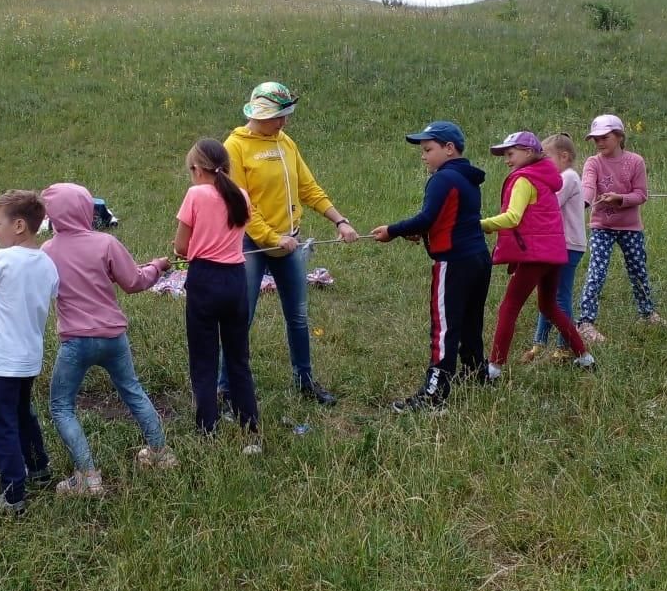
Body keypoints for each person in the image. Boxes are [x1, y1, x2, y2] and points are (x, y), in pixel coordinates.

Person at [222, 81, 359, 406]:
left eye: (286, 116)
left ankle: (305, 381)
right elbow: (241, 207)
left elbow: (308, 188)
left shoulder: (285, 143)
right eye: (277, 117)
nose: (283, 123)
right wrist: (272, 239)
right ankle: (226, 389)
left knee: (297, 316)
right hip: (252, 244)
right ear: (258, 115)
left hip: (290, 243)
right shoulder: (235, 146)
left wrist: (339, 220)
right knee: (243, 317)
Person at [41, 182, 176, 496]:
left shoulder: (47, 251)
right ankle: (161, 454)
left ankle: (88, 478)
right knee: (132, 391)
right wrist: (157, 267)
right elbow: (134, 282)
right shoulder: (106, 243)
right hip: (114, 337)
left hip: (75, 342)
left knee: (61, 406)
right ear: (88, 210)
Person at [370, 121, 492, 413]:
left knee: (444, 327)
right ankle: (477, 373)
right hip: (479, 259)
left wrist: (393, 230)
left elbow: (427, 217)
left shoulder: (442, 178)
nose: (423, 156)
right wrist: (424, 232)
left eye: (428, 149)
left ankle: (435, 394)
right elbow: (451, 218)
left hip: (454, 262)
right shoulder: (468, 178)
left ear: (449, 149)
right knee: (471, 321)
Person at [0, 190, 60, 516]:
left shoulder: (4, 258)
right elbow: (50, 293)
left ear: (19, 225)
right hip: (29, 357)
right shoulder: (47, 262)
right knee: (23, 413)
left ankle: (12, 493)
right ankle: (39, 466)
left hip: (2, 359)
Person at [480, 131, 596, 380]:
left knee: (509, 307)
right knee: (549, 305)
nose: (507, 160)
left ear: (529, 152)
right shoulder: (546, 179)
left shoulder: (524, 180)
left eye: (510, 154)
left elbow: (513, 217)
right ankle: (585, 358)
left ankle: (494, 369)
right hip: (554, 253)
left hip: (535, 255)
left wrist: (480, 224)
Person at [175, 138, 261, 447]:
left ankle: (207, 430)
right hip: (237, 280)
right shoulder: (241, 195)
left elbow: (181, 247)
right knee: (239, 359)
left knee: (204, 359)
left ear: (197, 169)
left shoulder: (195, 194)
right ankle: (251, 430)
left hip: (205, 280)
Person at [576, 114, 662, 342]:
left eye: (604, 137)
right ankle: (585, 322)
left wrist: (619, 198)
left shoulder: (635, 161)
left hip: (631, 228)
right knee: (597, 271)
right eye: (596, 139)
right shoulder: (593, 162)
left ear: (619, 136)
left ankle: (647, 314)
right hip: (601, 227)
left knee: (638, 269)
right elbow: (587, 186)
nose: (599, 143)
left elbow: (641, 194)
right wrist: (583, 204)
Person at [523, 133, 586, 361]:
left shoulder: (568, 177)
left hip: (568, 245)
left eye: (546, 158)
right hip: (555, 245)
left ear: (564, 156)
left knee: (560, 297)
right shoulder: (562, 177)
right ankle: (539, 343)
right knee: (547, 296)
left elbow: (549, 203)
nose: (542, 163)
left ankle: (564, 346)